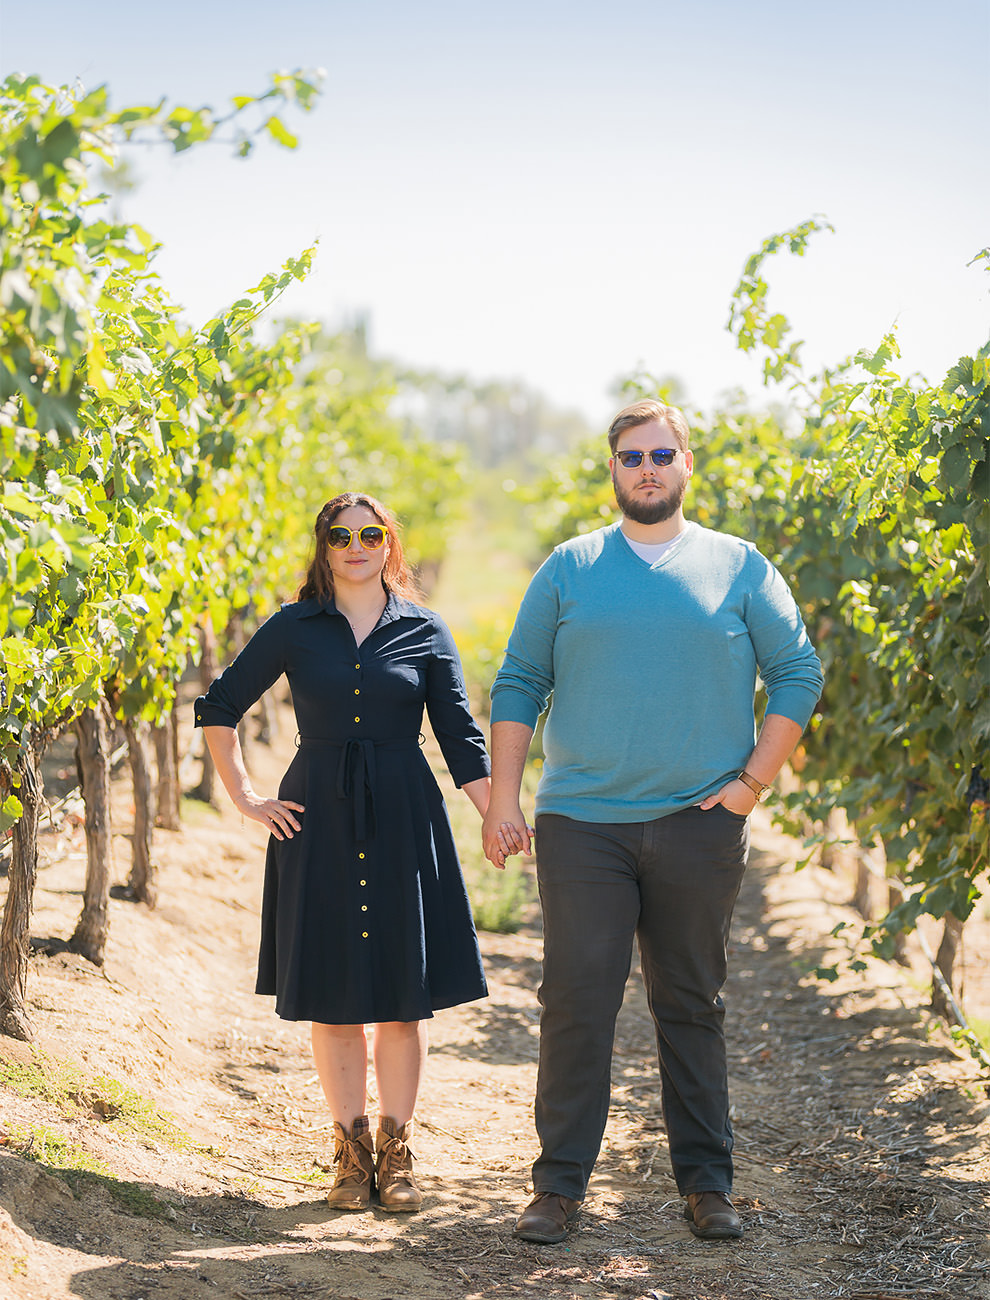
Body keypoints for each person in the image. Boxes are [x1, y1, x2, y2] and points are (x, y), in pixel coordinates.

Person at [482, 400, 824, 1244]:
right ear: (613, 469)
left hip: (699, 824)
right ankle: (557, 1189)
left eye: (660, 453)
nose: (647, 468)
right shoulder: (570, 568)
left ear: (687, 463)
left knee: (690, 1003)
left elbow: (798, 674)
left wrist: (749, 785)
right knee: (574, 1002)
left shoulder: (741, 567)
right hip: (583, 824)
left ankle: (708, 1186)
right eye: (631, 456)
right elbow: (520, 681)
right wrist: (502, 797)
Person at [195, 492, 493, 1213]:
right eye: (340, 535)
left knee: (400, 1000)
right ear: (323, 548)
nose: (355, 545)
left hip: (404, 815)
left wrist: (499, 817)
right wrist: (243, 796)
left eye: (369, 533)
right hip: (314, 819)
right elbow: (220, 706)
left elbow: (460, 736)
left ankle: (396, 1153)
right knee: (334, 1000)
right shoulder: (294, 626)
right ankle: (348, 1153)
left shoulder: (424, 628)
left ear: (389, 542)